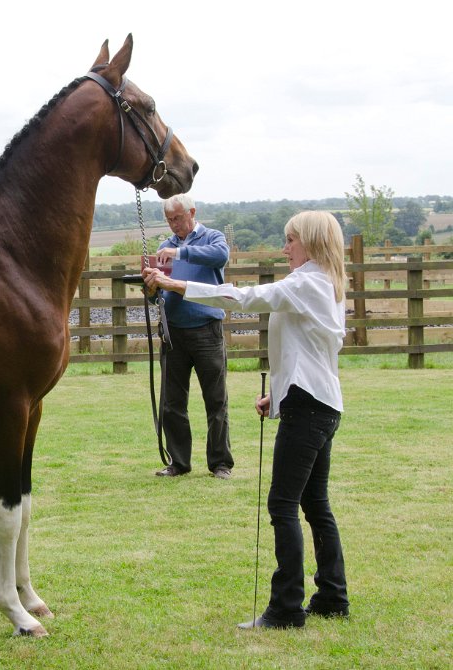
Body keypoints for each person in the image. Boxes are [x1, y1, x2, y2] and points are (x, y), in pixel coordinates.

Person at [143, 210, 350, 629]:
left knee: (283, 505)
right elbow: (310, 349)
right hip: (321, 402)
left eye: (290, 240)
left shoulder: (306, 283)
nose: (284, 247)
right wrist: (277, 394)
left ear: (309, 242)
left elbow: (241, 297)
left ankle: (287, 609)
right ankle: (332, 596)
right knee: (314, 503)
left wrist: (174, 283)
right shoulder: (325, 284)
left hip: (309, 408)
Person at [151, 194, 233, 479]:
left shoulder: (213, 238)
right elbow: (158, 292)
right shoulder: (164, 247)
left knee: (215, 398)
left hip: (206, 330)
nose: (174, 225)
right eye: (169, 220)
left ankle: (220, 463)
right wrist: (151, 287)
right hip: (173, 332)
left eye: (177, 218)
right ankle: (179, 462)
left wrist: (180, 253)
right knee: (172, 402)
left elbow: (220, 256)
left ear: (192, 212)